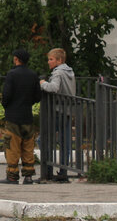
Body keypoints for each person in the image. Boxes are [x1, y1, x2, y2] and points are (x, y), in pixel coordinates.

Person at [0, 47, 41, 185]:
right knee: (28, 146)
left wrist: (6, 105)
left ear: (16, 59)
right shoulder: (33, 75)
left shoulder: (12, 74)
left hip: (13, 116)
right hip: (27, 115)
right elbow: (37, 96)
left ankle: (12, 176)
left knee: (12, 145)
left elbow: (6, 95)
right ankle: (28, 176)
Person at [40, 47, 77, 182]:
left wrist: (43, 83)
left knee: (43, 139)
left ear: (59, 60)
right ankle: (63, 171)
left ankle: (48, 170)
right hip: (67, 110)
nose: (49, 62)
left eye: (51, 59)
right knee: (64, 142)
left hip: (57, 110)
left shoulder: (58, 73)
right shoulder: (70, 72)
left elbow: (54, 88)